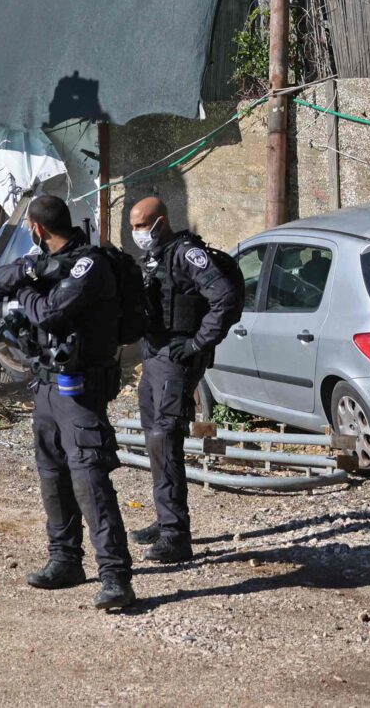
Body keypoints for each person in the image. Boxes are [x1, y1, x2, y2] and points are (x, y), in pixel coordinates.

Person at [0, 194, 136, 611]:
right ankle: (65, 560)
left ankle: (116, 575)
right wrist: (29, 272)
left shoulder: (90, 264)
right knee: (52, 474)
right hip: (47, 386)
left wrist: (25, 297)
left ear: (36, 228)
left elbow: (51, 313)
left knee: (89, 478)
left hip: (80, 386)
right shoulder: (43, 262)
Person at [127, 196, 242, 564]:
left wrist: (196, 343)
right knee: (155, 440)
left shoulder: (187, 254)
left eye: (142, 225)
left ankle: (176, 535)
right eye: (133, 226)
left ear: (161, 221)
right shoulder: (155, 258)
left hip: (176, 361)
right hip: (155, 358)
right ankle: (165, 520)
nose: (137, 233)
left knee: (166, 438)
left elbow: (224, 298)